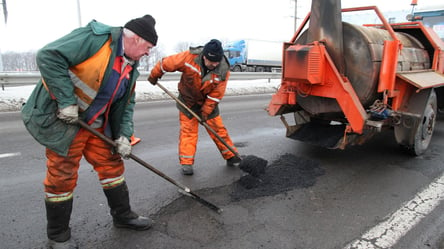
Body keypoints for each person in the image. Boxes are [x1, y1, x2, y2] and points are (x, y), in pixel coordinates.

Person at [21, 14, 158, 248]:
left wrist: (123, 135)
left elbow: (125, 105)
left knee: (112, 166)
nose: (148, 53)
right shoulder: (95, 39)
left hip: (95, 124)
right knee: (61, 177)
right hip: (65, 121)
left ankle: (123, 216)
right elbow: (49, 55)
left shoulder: (130, 66)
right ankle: (58, 235)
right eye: (148, 47)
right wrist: (65, 101)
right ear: (134, 39)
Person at [148, 39, 241, 176]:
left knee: (218, 129)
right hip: (188, 101)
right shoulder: (189, 58)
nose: (213, 65)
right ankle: (187, 163)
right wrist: (154, 75)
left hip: (208, 102)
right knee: (188, 132)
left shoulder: (223, 69)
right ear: (204, 56)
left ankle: (231, 155)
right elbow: (165, 63)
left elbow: (216, 94)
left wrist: (205, 111)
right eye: (211, 61)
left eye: (216, 62)